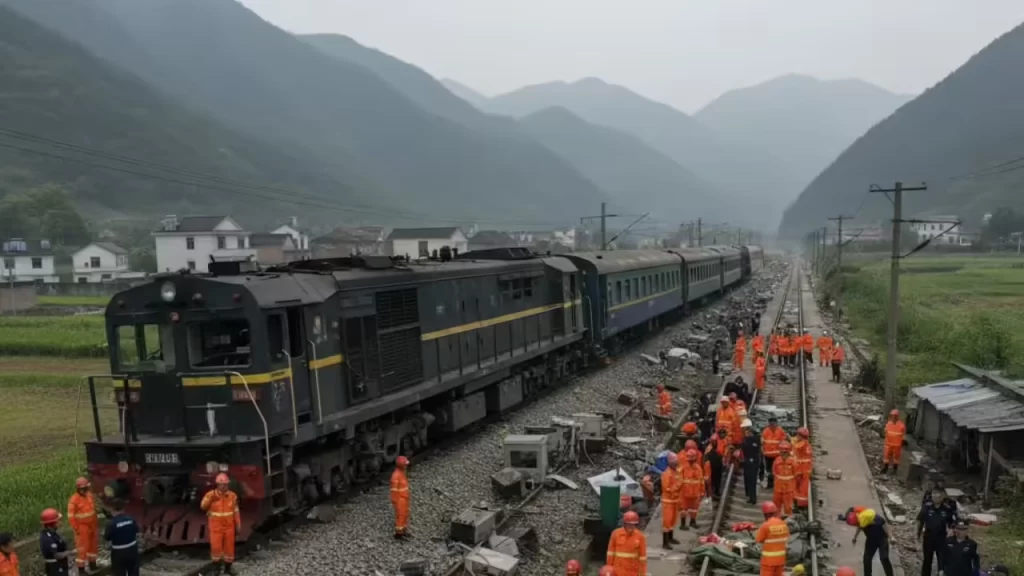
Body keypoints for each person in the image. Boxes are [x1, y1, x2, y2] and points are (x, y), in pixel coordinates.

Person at [200, 473, 241, 574]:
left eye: (226, 484)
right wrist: (210, 499)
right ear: (217, 485)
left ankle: (228, 569)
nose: (224, 486)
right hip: (216, 527)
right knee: (216, 549)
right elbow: (203, 506)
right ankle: (216, 570)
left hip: (229, 527)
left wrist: (238, 525)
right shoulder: (210, 495)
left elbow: (236, 512)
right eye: (222, 484)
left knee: (229, 549)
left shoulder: (232, 496)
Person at [918, 488, 955, 576]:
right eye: (934, 493)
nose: (937, 496)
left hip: (941, 539)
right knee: (927, 560)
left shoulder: (947, 509)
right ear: (932, 495)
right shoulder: (926, 507)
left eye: (939, 494)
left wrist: (951, 532)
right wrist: (917, 535)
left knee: (941, 562)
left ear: (943, 496)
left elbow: (951, 524)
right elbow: (920, 522)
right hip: (928, 538)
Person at [68, 477, 99, 573]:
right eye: (82, 489)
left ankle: (93, 565)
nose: (84, 490)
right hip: (82, 527)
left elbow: (93, 510)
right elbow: (71, 517)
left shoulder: (89, 495)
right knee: (82, 548)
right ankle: (81, 570)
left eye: (85, 488)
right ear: (78, 489)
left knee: (93, 546)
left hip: (92, 525)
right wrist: (77, 529)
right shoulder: (74, 500)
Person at [852, 508, 895, 576]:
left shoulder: (879, 519)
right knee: (866, 559)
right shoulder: (863, 521)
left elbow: (886, 528)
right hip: (871, 540)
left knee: (884, 558)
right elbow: (859, 528)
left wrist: (891, 537)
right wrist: (855, 537)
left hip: (882, 539)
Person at [104, 500, 140, 576]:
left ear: (112, 510)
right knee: (133, 572)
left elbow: (107, 537)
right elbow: (136, 530)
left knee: (119, 572)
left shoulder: (111, 523)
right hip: (132, 549)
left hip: (118, 552)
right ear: (123, 509)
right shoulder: (131, 519)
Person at [606, 511, 646, 576]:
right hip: (617, 571)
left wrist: (642, 574)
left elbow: (642, 558)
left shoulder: (640, 537)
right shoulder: (616, 534)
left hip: (632, 572)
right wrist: (609, 570)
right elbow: (610, 553)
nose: (630, 526)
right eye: (628, 524)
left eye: (633, 524)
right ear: (624, 523)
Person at [754, 501, 789, 576]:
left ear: (765, 514)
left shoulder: (765, 526)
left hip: (768, 562)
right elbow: (786, 536)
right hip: (780, 560)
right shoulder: (783, 524)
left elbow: (758, 539)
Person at [39, 508, 71, 576]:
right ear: (52, 523)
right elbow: (56, 555)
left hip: (60, 566)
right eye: (58, 520)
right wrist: (71, 552)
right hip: (55, 568)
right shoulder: (47, 538)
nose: (60, 522)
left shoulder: (53, 533)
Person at [679, 449, 704, 530]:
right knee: (683, 509)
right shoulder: (682, 468)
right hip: (684, 493)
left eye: (692, 459)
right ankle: (683, 524)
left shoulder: (698, 469)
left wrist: (702, 492)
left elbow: (701, 481)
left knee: (694, 509)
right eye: (689, 460)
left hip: (695, 493)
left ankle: (692, 522)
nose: (690, 461)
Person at [659, 452, 681, 547]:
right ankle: (665, 542)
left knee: (673, 521)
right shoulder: (667, 473)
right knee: (667, 522)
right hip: (668, 501)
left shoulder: (676, 471)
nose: (676, 462)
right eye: (674, 461)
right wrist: (677, 487)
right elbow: (667, 488)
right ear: (670, 462)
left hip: (674, 500)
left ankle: (671, 538)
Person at [771, 442, 796, 517]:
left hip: (789, 489)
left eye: (784, 452)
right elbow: (774, 472)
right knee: (776, 507)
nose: (782, 454)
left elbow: (797, 475)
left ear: (788, 452)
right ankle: (776, 521)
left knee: (788, 507)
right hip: (778, 488)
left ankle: (788, 523)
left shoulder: (793, 461)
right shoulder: (777, 460)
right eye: (781, 452)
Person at [761, 417, 786, 489]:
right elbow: (762, 440)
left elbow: (783, 440)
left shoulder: (780, 431)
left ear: (776, 423)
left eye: (773, 423)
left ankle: (776, 484)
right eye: (771, 424)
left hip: (777, 455)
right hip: (768, 455)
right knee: (769, 471)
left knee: (777, 470)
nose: (772, 425)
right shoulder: (765, 431)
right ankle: (770, 484)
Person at [390, 456, 411, 539]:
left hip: (404, 497)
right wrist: (395, 501)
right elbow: (394, 491)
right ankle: (398, 534)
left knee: (405, 514)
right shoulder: (396, 476)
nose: (406, 466)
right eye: (405, 464)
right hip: (400, 499)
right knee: (401, 515)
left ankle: (403, 530)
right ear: (401, 465)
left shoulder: (401, 473)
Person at [704, 428, 729, 499]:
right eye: (722, 434)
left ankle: (716, 491)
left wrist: (725, 461)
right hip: (712, 463)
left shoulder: (725, 441)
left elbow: (726, 452)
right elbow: (706, 455)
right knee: (712, 478)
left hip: (719, 461)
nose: (723, 435)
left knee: (718, 478)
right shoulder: (713, 441)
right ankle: (711, 492)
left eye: (724, 434)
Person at [792, 428, 813, 510]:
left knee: (797, 487)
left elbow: (794, 447)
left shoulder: (802, 444)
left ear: (801, 436)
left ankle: (798, 505)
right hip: (806, 470)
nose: (797, 436)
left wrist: (790, 440)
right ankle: (802, 504)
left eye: (798, 435)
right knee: (803, 489)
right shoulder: (807, 444)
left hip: (800, 470)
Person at [741, 419, 761, 504]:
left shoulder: (754, 440)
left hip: (752, 463)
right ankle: (750, 496)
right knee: (748, 480)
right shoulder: (747, 440)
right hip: (747, 462)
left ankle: (753, 498)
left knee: (752, 480)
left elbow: (754, 450)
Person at [882, 410, 906, 474]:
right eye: (892, 416)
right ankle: (885, 468)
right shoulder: (888, 424)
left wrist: (903, 441)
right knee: (886, 457)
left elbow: (903, 434)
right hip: (888, 444)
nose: (893, 417)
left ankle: (895, 470)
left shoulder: (901, 425)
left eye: (895, 416)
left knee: (896, 458)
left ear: (897, 417)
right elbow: (885, 433)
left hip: (897, 445)